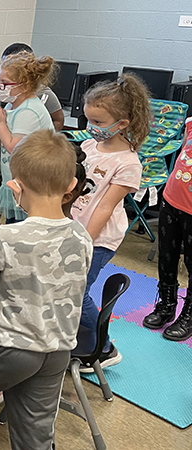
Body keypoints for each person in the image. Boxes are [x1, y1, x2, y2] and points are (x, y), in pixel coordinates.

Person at [0, 129, 92, 450]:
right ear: (71, 186)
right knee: (36, 433)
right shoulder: (81, 235)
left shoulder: (4, 237)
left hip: (8, 346)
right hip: (58, 350)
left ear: (16, 186)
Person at [71, 74, 152, 368]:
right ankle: (78, 337)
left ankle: (105, 348)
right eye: (88, 119)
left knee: (76, 293)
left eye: (99, 122)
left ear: (122, 124)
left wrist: (82, 240)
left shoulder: (128, 163)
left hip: (98, 239)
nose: (92, 127)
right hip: (74, 229)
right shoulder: (90, 148)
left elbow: (105, 206)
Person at [0, 43, 65, 250]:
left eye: (4, 82)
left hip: (32, 182)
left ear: (25, 85)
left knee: (23, 229)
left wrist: (1, 124)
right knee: (14, 227)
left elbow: (14, 147)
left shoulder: (29, 110)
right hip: (15, 180)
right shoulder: (13, 105)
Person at [145, 117, 192, 341]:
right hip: (172, 199)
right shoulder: (191, 124)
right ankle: (166, 304)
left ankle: (189, 315)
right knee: (166, 256)